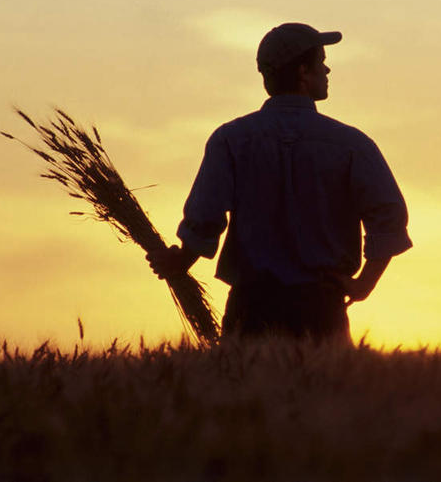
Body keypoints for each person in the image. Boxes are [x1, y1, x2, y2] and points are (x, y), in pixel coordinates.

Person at [147, 22, 412, 343]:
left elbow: (205, 218)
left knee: (248, 393)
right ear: (303, 72)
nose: (327, 69)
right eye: (321, 62)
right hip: (321, 309)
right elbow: (389, 217)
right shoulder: (352, 144)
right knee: (321, 393)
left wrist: (180, 261)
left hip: (251, 309)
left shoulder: (230, 139)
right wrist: (364, 284)